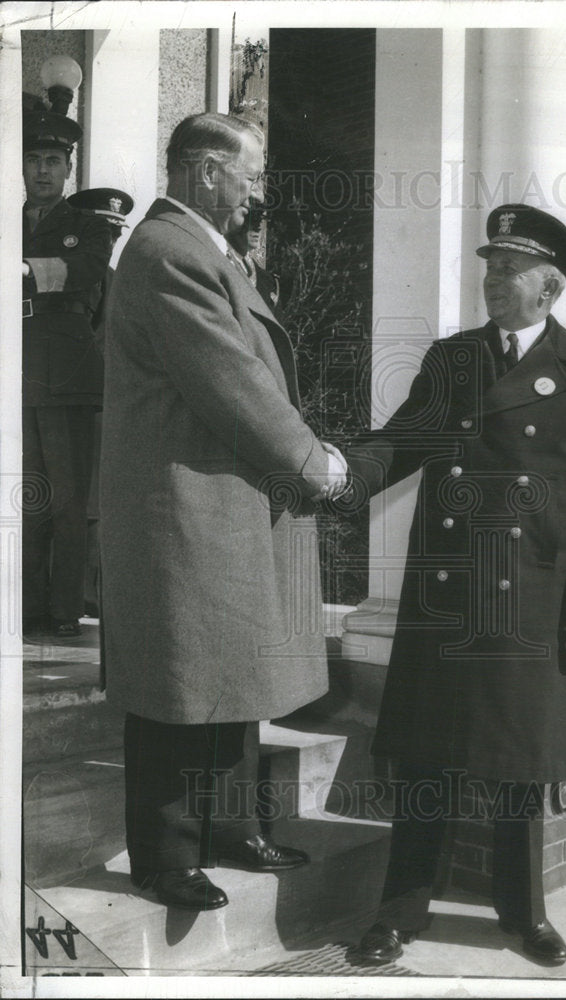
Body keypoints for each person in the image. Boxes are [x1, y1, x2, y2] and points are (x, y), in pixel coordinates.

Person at [345, 204, 566, 967]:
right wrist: (339, 476)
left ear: (550, 288)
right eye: (489, 267)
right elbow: (401, 442)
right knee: (426, 758)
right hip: (448, 590)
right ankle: (400, 911)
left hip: (533, 595)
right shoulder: (453, 360)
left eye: (510, 270)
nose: (493, 280)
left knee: (519, 764)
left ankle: (523, 914)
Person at [99, 112, 348, 911]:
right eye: (251, 174)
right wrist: (315, 463)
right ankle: (166, 856)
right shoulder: (169, 252)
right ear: (207, 172)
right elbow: (232, 383)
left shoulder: (203, 250)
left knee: (228, 667)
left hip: (219, 498)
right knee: (176, 678)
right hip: (185, 504)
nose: (256, 191)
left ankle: (231, 829)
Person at [21, 109, 113, 639]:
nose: (42, 170)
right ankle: (29, 605)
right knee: (25, 493)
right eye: (33, 159)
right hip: (15, 365)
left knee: (68, 496)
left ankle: (64, 608)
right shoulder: (8, 219)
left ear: (69, 168)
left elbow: (86, 271)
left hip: (65, 369)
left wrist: (26, 269)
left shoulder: (88, 226)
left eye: (53, 161)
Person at [65, 187, 134, 617]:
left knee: (94, 503)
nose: (109, 241)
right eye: (101, 231)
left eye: (115, 233)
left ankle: (86, 593)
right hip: (61, 403)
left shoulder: (116, 280)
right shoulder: (62, 275)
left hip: (101, 407)